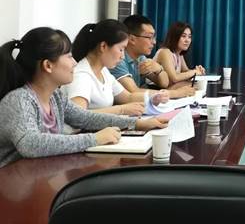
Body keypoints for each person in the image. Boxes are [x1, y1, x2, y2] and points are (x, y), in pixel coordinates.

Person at [0, 27, 167, 168]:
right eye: (68, 56)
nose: (74, 62)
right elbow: (31, 144)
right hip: (11, 184)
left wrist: (136, 123)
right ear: (48, 65)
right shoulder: (19, 100)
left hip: (37, 175)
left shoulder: (55, 97)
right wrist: (94, 139)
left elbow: (85, 117)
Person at [66, 19, 170, 116]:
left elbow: (128, 97)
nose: (122, 56)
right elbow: (78, 115)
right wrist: (121, 110)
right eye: (121, 49)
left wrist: (153, 97)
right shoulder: (81, 75)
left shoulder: (103, 71)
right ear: (103, 46)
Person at [109, 15, 194, 98]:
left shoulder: (141, 58)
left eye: (154, 37)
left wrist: (159, 69)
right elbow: (133, 91)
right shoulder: (118, 59)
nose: (154, 42)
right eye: (149, 37)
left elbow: (164, 84)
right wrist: (176, 93)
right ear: (132, 39)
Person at [154, 21, 205, 86]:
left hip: (168, 88)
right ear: (174, 37)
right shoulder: (165, 52)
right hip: (153, 89)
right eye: (183, 36)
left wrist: (197, 70)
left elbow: (185, 71)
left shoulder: (178, 53)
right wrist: (194, 72)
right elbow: (174, 78)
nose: (187, 40)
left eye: (189, 37)